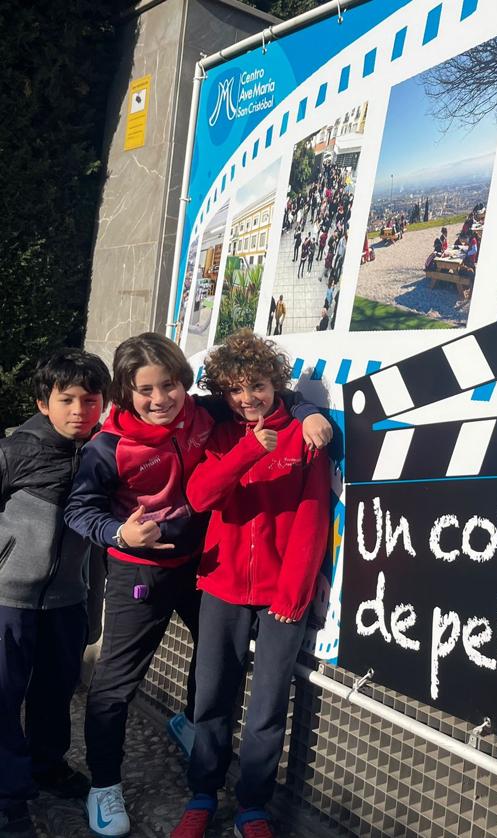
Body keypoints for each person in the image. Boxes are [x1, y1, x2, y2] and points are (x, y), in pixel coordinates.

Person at [65, 334, 331, 837]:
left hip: (206, 568)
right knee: (121, 683)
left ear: (186, 387)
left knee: (230, 691)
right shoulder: (110, 446)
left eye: (169, 385)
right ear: (125, 392)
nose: (160, 398)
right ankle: (110, 785)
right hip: (146, 569)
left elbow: (263, 394)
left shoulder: (204, 413)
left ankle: (235, 787)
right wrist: (119, 532)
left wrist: (309, 410)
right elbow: (85, 509)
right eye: (145, 390)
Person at [169, 331, 330, 838]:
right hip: (221, 585)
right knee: (212, 696)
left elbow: (313, 518)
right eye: (235, 390)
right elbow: (199, 497)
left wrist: (294, 593)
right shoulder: (222, 436)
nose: (247, 398)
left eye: (256, 386)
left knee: (267, 706)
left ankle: (252, 807)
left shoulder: (305, 436)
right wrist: (245, 453)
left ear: (275, 384)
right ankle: (201, 795)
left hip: (282, 594)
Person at [0, 350, 111, 838]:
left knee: (55, 693)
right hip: (7, 601)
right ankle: (9, 795)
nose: (79, 411)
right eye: (67, 399)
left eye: (90, 400)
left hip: (67, 601)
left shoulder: (103, 452)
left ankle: (48, 766)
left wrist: (92, 604)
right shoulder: (14, 450)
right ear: (44, 401)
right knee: (3, 699)